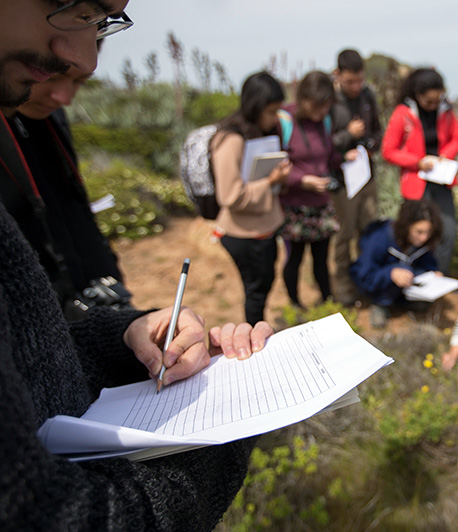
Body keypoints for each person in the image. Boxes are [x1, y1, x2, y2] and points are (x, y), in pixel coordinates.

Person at [0, 2, 274, 530]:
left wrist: (122, 333)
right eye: (70, 4)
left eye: (102, 23)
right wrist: (224, 423)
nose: (84, 59)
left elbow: (26, 352)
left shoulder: (38, 120)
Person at [0, 61, 132, 319]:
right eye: (50, 75)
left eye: (79, 81)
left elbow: (74, 208)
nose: (64, 97)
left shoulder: (51, 117)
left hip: (96, 307)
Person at [211, 71, 291, 325]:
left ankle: (257, 333)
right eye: (270, 111)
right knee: (256, 293)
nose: (274, 118)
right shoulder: (231, 139)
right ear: (255, 107)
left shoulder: (260, 132)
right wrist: (270, 181)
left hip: (264, 228)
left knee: (263, 287)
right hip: (245, 234)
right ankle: (255, 344)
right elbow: (230, 195)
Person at [381, 67, 458, 274]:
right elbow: (388, 151)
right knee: (417, 234)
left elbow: (456, 137)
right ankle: (414, 280)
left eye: (437, 100)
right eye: (429, 102)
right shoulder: (403, 114)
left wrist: (446, 154)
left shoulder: (446, 111)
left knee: (447, 231)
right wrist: (418, 162)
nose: (433, 105)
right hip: (416, 183)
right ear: (417, 95)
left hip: (441, 181)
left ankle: (439, 275)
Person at [279, 71, 345, 308]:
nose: (321, 112)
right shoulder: (284, 120)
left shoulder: (324, 122)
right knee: (294, 258)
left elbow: (328, 156)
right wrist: (301, 180)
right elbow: (276, 163)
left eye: (326, 106)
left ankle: (328, 303)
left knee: (321, 259)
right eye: (317, 106)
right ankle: (295, 304)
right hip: (294, 203)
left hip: (321, 203)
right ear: (303, 98)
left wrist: (344, 158)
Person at [329, 49, 383, 306]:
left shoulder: (367, 95)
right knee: (344, 234)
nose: (356, 86)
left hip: (366, 176)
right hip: (342, 181)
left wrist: (370, 143)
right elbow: (323, 145)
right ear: (337, 74)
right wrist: (348, 135)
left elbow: (378, 131)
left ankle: (366, 283)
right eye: (350, 82)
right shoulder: (329, 100)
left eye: (359, 81)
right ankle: (344, 290)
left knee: (369, 231)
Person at [350, 199, 443, 328]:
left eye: (428, 232)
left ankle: (400, 302)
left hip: (406, 284)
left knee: (422, 302)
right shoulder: (381, 237)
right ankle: (380, 304)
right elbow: (365, 275)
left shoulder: (424, 243)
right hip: (375, 283)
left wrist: (433, 273)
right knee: (401, 270)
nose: (424, 238)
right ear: (406, 227)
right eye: (419, 232)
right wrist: (390, 273)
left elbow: (428, 263)